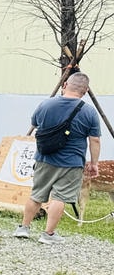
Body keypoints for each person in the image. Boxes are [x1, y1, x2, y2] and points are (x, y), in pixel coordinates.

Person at [14, 71, 102, 244]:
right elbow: (95, 140)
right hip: (72, 162)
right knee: (60, 197)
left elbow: (35, 124)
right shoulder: (90, 112)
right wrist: (94, 163)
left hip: (44, 157)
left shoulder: (45, 104)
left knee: (37, 194)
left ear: (64, 85)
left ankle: (23, 228)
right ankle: (48, 234)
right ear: (84, 91)